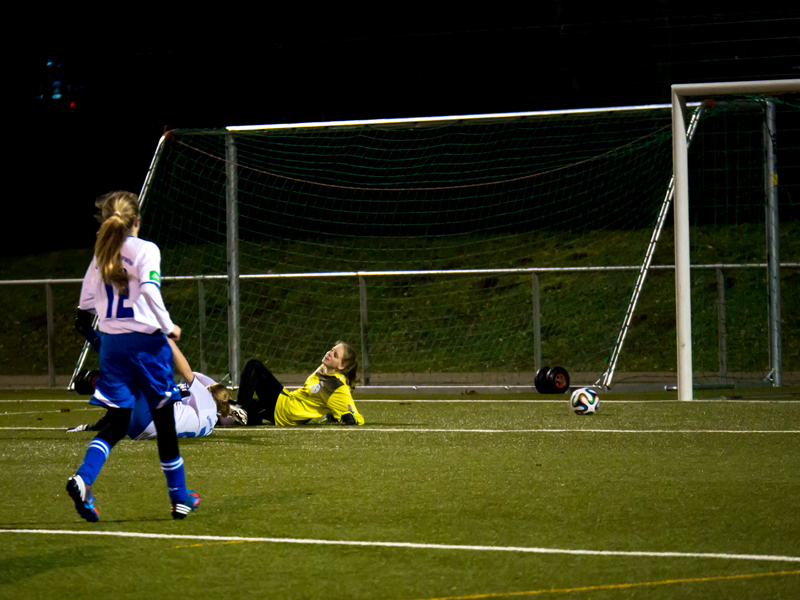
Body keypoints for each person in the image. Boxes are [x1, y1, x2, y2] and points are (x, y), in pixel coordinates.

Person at [67, 190, 199, 522]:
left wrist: (96, 325)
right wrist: (169, 326)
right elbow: (151, 291)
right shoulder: (146, 250)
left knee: (118, 422)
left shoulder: (100, 255)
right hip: (146, 346)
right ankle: (179, 497)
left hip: (112, 347)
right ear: (136, 220)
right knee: (164, 420)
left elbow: (84, 310)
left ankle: (84, 478)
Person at [68, 338, 246, 438]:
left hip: (151, 419)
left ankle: (96, 377)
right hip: (140, 431)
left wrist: (168, 340)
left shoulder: (205, 399)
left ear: (209, 391)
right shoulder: (209, 423)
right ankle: (96, 394)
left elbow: (189, 373)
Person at [235, 341, 365, 427]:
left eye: (335, 355)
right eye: (331, 350)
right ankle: (241, 413)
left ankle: (240, 412)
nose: (329, 354)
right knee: (229, 408)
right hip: (287, 405)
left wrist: (351, 418)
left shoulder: (337, 386)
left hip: (286, 409)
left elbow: (354, 413)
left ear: (342, 366)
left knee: (254, 366)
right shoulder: (324, 369)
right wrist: (334, 415)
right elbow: (322, 399)